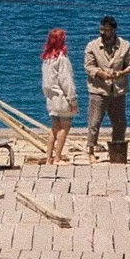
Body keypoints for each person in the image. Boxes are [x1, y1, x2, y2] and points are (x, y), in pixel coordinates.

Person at [83, 15, 130, 159]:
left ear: (113, 30)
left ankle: (117, 151)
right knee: (94, 122)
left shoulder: (125, 46)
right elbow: (88, 67)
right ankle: (91, 152)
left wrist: (121, 73)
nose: (102, 33)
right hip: (98, 90)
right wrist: (100, 74)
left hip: (118, 90)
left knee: (120, 124)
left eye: (106, 30)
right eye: (100, 29)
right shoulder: (92, 46)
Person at [39, 28, 76, 164]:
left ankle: (49, 157)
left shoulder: (46, 60)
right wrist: (73, 101)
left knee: (54, 128)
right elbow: (67, 82)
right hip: (62, 99)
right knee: (64, 128)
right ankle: (58, 157)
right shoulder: (62, 59)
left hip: (50, 99)